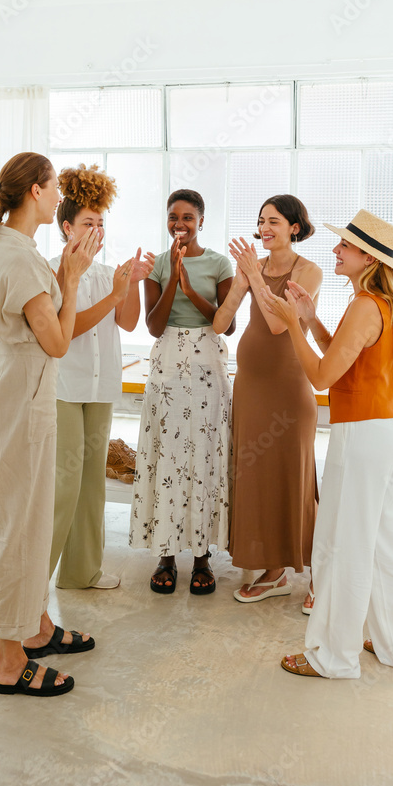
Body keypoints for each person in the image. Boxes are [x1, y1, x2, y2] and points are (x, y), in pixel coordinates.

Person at [259, 209, 393, 679]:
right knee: (383, 543)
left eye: (345, 246)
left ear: (368, 258)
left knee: (341, 545)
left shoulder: (363, 306)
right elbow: (344, 359)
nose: (335, 250)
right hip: (387, 428)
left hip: (362, 436)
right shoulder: (380, 303)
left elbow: (321, 377)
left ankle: (333, 656)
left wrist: (292, 324)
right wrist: (311, 319)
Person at [0, 152, 101, 698]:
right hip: (22, 394)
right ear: (34, 191)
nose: (59, 199)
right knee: (20, 529)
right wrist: (71, 279)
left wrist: (65, 275)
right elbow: (57, 343)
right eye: (53, 189)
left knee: (30, 517)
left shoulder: (6, 244)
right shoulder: (21, 258)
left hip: (16, 386)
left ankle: (38, 628)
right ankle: (10, 660)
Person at [48, 164, 155, 590]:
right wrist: (115, 293)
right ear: (66, 228)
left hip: (100, 385)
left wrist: (131, 284)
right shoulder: (52, 271)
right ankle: (33, 584)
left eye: (100, 223)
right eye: (87, 223)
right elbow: (69, 328)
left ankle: (82, 572)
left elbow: (127, 323)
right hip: (64, 387)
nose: (96, 231)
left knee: (92, 480)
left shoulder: (107, 272)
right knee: (64, 484)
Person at [213, 195, 322, 611]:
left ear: (294, 227)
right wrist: (240, 283)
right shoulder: (253, 268)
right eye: (261, 221)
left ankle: (318, 575)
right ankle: (274, 572)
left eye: (274, 221)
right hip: (251, 388)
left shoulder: (308, 271)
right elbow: (221, 323)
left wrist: (255, 279)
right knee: (258, 477)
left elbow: (279, 324)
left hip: (289, 388)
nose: (265, 228)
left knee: (295, 479)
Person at [129, 189, 235, 594]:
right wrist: (172, 277)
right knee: (168, 456)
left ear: (201, 221)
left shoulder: (219, 264)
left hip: (208, 365)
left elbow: (228, 325)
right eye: (173, 217)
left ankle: (203, 556)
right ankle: (167, 555)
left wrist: (191, 289)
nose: (180, 224)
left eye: (188, 217)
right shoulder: (157, 264)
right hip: (168, 363)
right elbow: (154, 326)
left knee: (205, 456)